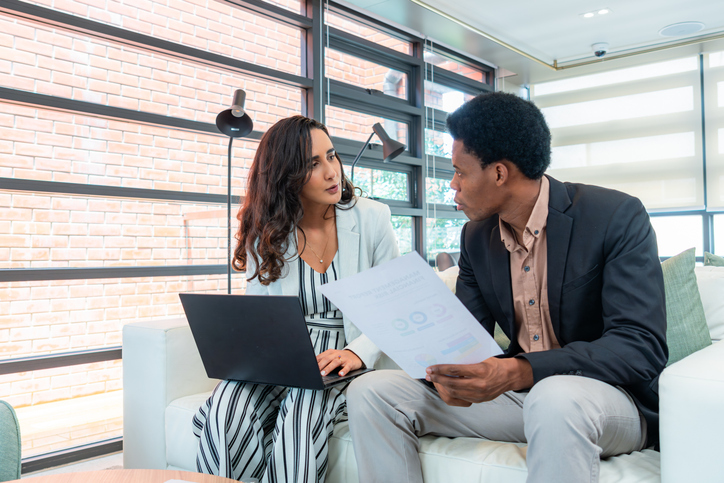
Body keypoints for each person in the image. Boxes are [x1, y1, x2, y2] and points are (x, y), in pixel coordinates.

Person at [346, 92, 668, 483]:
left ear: (499, 173)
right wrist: (447, 373)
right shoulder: (476, 237)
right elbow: (465, 338)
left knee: (556, 397)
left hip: (609, 400)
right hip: (523, 400)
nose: (453, 185)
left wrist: (518, 371)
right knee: (373, 392)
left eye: (460, 172)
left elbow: (640, 347)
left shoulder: (615, 215)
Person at [192, 115, 400, 483]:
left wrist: (356, 353)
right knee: (226, 407)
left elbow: (395, 304)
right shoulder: (266, 233)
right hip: (286, 356)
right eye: (313, 164)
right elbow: (259, 317)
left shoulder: (372, 218)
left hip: (348, 355)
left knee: (303, 407)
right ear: (285, 176)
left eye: (332, 156)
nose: (332, 172)